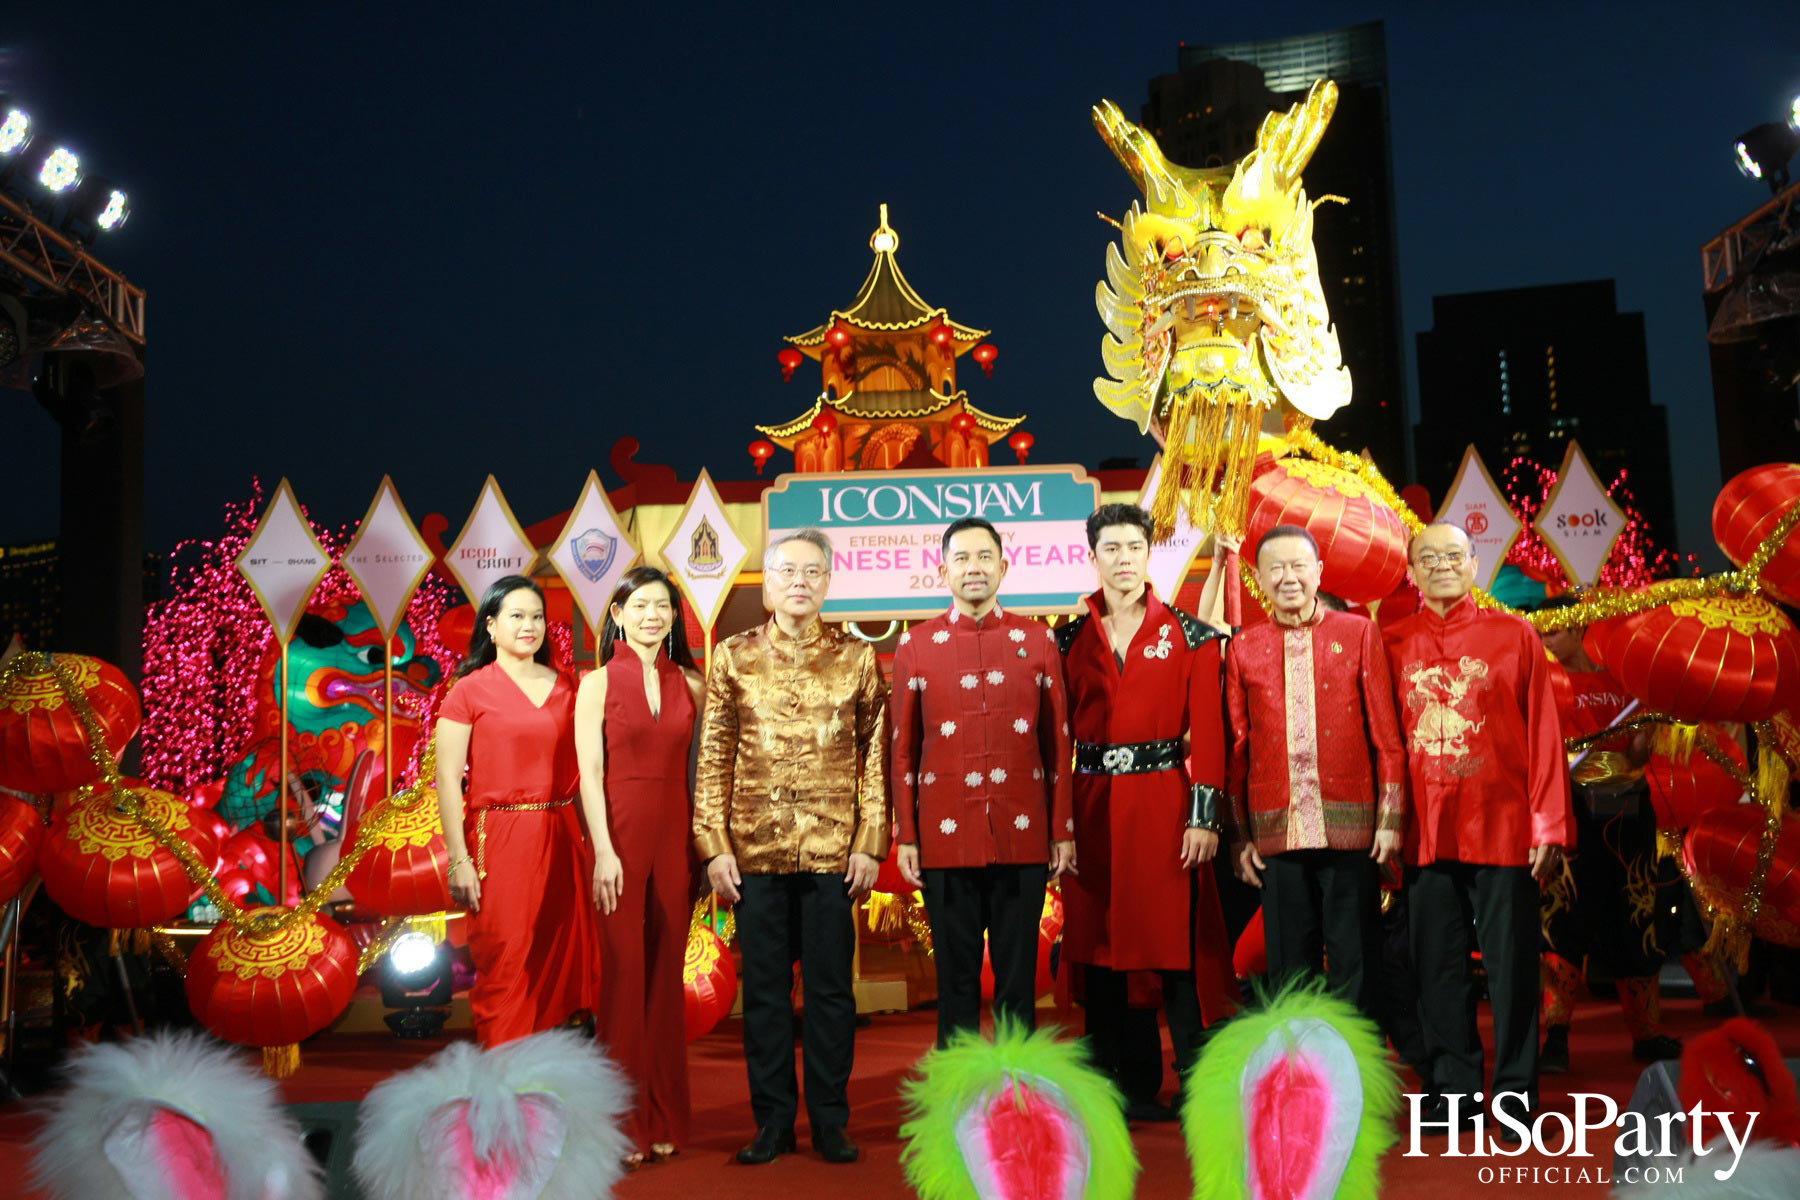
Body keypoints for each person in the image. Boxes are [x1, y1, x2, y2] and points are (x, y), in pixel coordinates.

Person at [694, 529, 888, 1166]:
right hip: (753, 852)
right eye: (787, 571)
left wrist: (869, 842)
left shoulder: (858, 658)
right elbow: (714, 755)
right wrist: (714, 846)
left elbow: (875, 759)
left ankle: (831, 1121)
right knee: (768, 994)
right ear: (767, 582)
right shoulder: (732, 656)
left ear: (829, 582)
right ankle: (773, 1123)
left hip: (836, 852)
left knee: (832, 992)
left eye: (812, 571)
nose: (799, 581)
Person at [1382, 523, 1572, 1133]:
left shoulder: (1515, 634)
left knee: (1512, 966)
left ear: (1474, 564)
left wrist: (1548, 826)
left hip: (1504, 825)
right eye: (1427, 557)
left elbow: (1544, 732)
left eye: (1453, 555)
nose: (1441, 565)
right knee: (1435, 966)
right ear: (1411, 571)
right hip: (1424, 830)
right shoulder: (1390, 642)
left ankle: (1516, 1089)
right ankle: (1454, 1089)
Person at [1056, 502, 1237, 1121]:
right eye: (1111, 548)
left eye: (1134, 547)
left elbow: (1210, 737)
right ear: (1094, 556)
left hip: (1164, 808)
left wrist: (1204, 816)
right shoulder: (1067, 638)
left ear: (1148, 552)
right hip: (1090, 810)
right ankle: (1123, 1085)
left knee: (1173, 948)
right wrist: (1060, 828)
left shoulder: (1190, 635)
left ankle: (1198, 1082)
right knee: (1102, 948)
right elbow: (1055, 742)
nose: (1124, 559)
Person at [890, 517, 1075, 1048]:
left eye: (984, 557)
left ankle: (1017, 1099)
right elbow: (901, 749)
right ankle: (958, 1101)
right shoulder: (916, 646)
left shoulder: (1037, 639)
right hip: (945, 841)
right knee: (956, 984)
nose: (974, 568)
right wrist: (907, 835)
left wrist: (1061, 830)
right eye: (962, 559)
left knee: (1019, 983)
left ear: (1004, 566)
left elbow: (1058, 743)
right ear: (942, 569)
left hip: (1023, 837)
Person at [1224, 524, 1406, 1019]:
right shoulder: (1244, 647)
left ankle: (1361, 1078)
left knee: (1357, 963)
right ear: (1258, 578)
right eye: (1275, 568)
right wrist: (1239, 837)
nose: (1288, 577)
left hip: (1352, 830)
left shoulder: (1359, 633)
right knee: (1290, 970)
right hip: (1277, 830)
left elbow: (1387, 738)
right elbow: (1238, 750)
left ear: (1318, 572)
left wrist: (1390, 820)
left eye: (1299, 565)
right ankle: (1305, 1080)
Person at [574, 566, 705, 1167]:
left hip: (676, 842)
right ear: (618, 615)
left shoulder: (693, 686)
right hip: (618, 841)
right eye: (640, 605)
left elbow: (699, 774)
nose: (652, 615)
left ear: (675, 618)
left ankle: (666, 1117)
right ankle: (621, 1127)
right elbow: (589, 777)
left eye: (663, 606)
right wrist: (603, 849)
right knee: (624, 980)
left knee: (665, 984)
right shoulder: (596, 683)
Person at [436, 575, 597, 1047]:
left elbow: (592, 766)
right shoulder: (468, 691)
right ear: (491, 625)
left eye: (537, 617)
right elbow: (448, 780)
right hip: (497, 838)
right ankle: (504, 1090)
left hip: (562, 834)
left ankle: (551, 1090)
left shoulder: (571, 685)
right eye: (517, 616)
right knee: (505, 961)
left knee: (559, 963)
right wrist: (459, 858)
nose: (529, 626)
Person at [1533, 592, 1681, 1073]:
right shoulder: (1541, 683)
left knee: (1637, 918)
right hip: (1573, 812)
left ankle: (1647, 1033)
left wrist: (1643, 738)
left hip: (1630, 816)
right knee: (1564, 917)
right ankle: (1555, 1035)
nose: (1546, 639)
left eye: (1554, 630)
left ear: (1578, 631)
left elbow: (1638, 758)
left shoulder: (1625, 682)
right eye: (1541, 631)